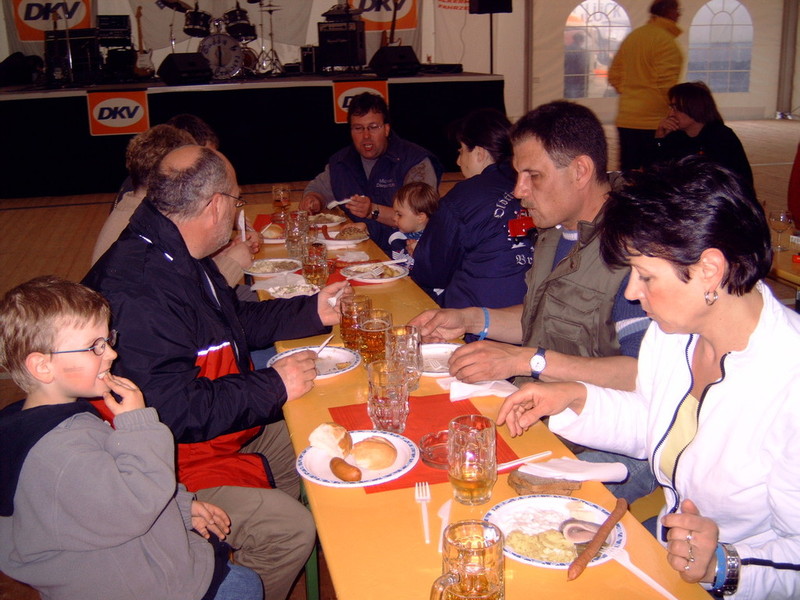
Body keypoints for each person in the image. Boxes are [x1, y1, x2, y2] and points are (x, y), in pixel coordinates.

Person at [498, 157, 800, 599]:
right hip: (667, 550)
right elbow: (660, 423)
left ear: (709, 271)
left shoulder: (789, 381)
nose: (632, 292)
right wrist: (576, 397)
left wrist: (723, 564)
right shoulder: (675, 334)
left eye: (645, 276)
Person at [83, 145, 351, 600]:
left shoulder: (175, 251)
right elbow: (173, 411)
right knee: (291, 529)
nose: (237, 212)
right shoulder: (142, 290)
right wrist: (273, 384)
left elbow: (232, 323)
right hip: (164, 462)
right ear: (215, 206)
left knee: (310, 428)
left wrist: (313, 311)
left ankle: (245, 543)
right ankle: (240, 562)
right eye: (237, 201)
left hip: (198, 437)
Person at [410, 101, 653, 504]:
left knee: (470, 488)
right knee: (429, 436)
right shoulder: (556, 232)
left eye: (533, 176)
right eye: (518, 174)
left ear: (580, 171)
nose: (518, 190)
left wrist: (526, 360)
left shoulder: (635, 250)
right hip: (536, 410)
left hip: (598, 437)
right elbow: (543, 317)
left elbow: (642, 374)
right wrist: (470, 319)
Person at [0, 276, 263, 600]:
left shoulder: (53, 420)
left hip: (146, 561)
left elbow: (107, 495)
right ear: (42, 366)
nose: (111, 353)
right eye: (95, 346)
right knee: (244, 586)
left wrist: (180, 507)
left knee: (244, 582)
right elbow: (133, 505)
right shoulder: (62, 455)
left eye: (108, 339)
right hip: (148, 587)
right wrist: (138, 424)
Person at [94, 124, 261, 287]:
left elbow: (181, 273)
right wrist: (231, 264)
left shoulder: (141, 210)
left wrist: (218, 253)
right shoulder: (142, 229)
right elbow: (183, 295)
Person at [411, 108, 533, 316]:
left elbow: (430, 273)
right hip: (530, 310)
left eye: (461, 151)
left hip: (476, 318)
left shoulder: (464, 197)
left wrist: (420, 252)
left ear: (479, 153)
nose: (458, 161)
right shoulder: (531, 184)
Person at [299, 92, 442, 253]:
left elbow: (420, 217)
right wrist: (313, 199)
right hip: (354, 250)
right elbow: (317, 189)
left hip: (404, 253)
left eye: (373, 127)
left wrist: (372, 211)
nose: (366, 136)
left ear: (386, 129)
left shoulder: (415, 161)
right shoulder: (341, 162)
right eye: (358, 128)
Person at [608, 0, 683, 170]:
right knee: (656, 172)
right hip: (655, 121)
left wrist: (630, 92)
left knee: (628, 172)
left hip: (627, 117)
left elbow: (614, 75)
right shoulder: (666, 41)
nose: (679, 14)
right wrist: (673, 110)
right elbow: (667, 84)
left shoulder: (634, 36)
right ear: (668, 11)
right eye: (677, 9)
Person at [651, 81, 753, 189]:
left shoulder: (721, 137)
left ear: (694, 108)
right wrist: (659, 138)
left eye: (676, 109)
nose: (671, 114)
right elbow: (654, 171)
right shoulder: (675, 136)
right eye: (671, 108)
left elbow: (724, 180)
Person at [388, 181, 438, 266]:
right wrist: (368, 228)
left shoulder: (433, 244)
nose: (394, 218)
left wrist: (420, 254)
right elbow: (380, 234)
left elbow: (435, 269)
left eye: (399, 215)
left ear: (420, 217)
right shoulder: (397, 235)